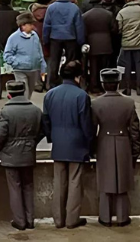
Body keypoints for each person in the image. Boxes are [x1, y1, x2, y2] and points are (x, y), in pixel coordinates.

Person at [41, 60, 93, 229]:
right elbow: (86, 124)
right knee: (75, 182)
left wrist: (51, 138)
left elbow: (46, 120)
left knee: (59, 182)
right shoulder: (81, 96)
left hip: (58, 143)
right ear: (78, 77)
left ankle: (58, 219)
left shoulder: (50, 94)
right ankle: (72, 219)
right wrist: (89, 143)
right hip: (77, 143)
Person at [91, 68, 140, 227]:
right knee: (123, 181)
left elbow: (92, 129)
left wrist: (92, 149)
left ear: (103, 83)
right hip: (123, 143)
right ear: (118, 83)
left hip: (104, 141)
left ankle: (104, 217)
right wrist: (135, 151)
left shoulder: (95, 103)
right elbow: (135, 130)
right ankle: (122, 216)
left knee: (105, 181)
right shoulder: (128, 102)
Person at [0, 81, 43, 230]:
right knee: (28, 187)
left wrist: (1, 148)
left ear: (9, 94)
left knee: (15, 187)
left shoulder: (6, 111)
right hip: (28, 153)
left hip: (10, 155)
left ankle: (19, 221)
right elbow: (43, 130)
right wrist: (32, 143)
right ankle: (30, 220)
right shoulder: (35, 110)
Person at [42, 0, 85, 90]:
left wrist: (45, 39)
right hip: (71, 37)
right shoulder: (74, 8)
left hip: (55, 37)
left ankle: (51, 84)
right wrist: (81, 41)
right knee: (71, 61)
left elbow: (47, 25)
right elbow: (79, 26)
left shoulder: (51, 7)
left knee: (54, 61)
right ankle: (70, 82)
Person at [3, 12, 44, 99]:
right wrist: (17, 63)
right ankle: (24, 106)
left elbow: (39, 51)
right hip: (20, 69)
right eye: (30, 24)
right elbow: (7, 54)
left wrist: (42, 65)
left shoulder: (35, 35)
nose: (33, 26)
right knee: (24, 91)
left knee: (30, 91)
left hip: (34, 69)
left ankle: (25, 105)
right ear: (23, 25)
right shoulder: (13, 38)